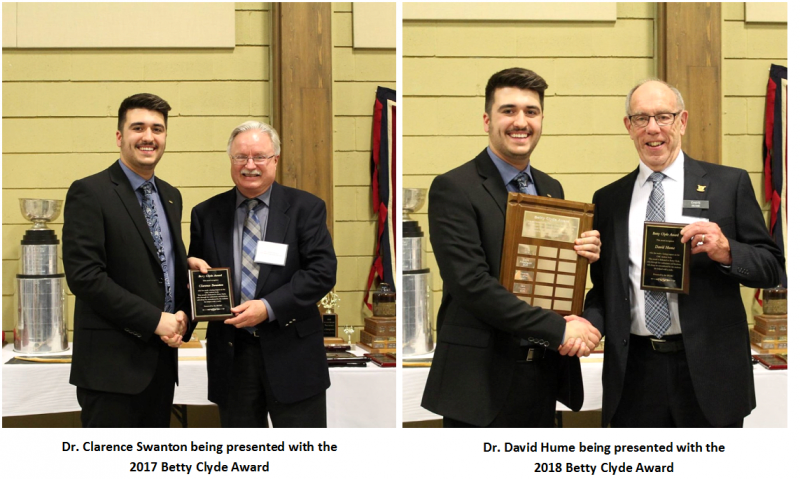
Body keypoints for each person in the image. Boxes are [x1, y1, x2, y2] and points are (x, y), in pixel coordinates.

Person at [582, 79, 785, 427]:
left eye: (663, 116)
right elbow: (605, 289)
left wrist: (727, 251)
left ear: (683, 121)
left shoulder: (727, 185)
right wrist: (588, 325)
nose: (653, 128)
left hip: (709, 373)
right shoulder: (609, 199)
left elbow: (773, 267)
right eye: (641, 119)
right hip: (635, 374)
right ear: (628, 127)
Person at [420, 68, 602, 428]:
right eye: (509, 110)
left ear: (542, 119)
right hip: (481, 381)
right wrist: (558, 328)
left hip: (543, 372)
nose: (521, 122)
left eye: (531, 112)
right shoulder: (454, 187)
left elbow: (545, 273)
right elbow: (470, 283)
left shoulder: (551, 188)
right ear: (487, 119)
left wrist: (580, 253)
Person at [188, 121, 336, 428]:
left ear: (275, 160)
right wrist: (189, 271)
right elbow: (199, 278)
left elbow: (322, 272)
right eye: (241, 157)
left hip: (292, 354)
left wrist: (267, 308)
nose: (250, 165)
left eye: (259, 157)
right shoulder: (206, 214)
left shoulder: (305, 208)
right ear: (231, 161)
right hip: (232, 357)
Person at [63, 93, 189, 428]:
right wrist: (154, 320)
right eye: (138, 127)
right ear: (120, 137)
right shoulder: (90, 192)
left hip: (160, 364)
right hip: (111, 370)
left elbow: (157, 265)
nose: (149, 137)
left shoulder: (171, 196)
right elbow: (86, 277)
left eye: (158, 129)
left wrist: (181, 309)